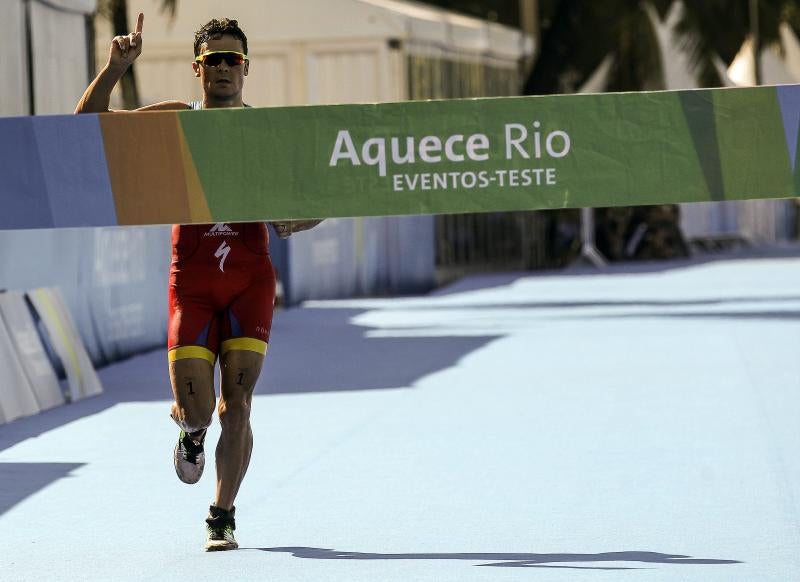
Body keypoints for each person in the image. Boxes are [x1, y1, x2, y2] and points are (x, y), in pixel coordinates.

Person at [76, 13, 321, 551]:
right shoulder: (175, 120)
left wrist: (294, 219)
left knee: (240, 403)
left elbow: (318, 202)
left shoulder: (267, 132)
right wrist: (115, 67)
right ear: (198, 69)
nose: (225, 69)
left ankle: (222, 514)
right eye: (215, 60)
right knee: (201, 410)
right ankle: (189, 429)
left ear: (247, 68)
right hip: (192, 282)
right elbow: (84, 128)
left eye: (234, 59)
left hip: (250, 279)